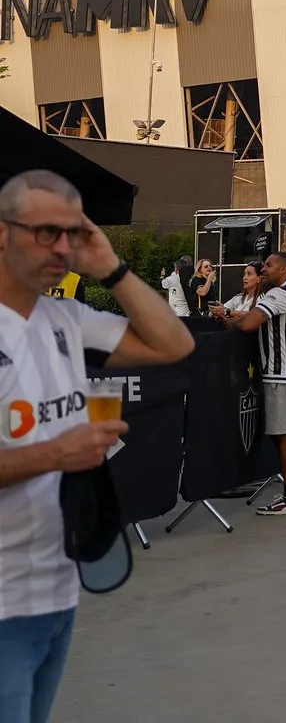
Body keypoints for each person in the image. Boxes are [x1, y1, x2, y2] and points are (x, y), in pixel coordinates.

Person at [0, 172, 193, 723]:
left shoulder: (64, 316)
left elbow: (173, 344)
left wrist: (111, 267)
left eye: (71, 232)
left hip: (57, 590)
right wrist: (54, 455)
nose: (63, 247)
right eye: (44, 232)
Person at [224, 253, 286, 516]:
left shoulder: (279, 294)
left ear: (284, 270)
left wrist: (234, 321)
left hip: (281, 373)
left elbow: (252, 322)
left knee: (284, 434)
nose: (263, 269)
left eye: (268, 265)